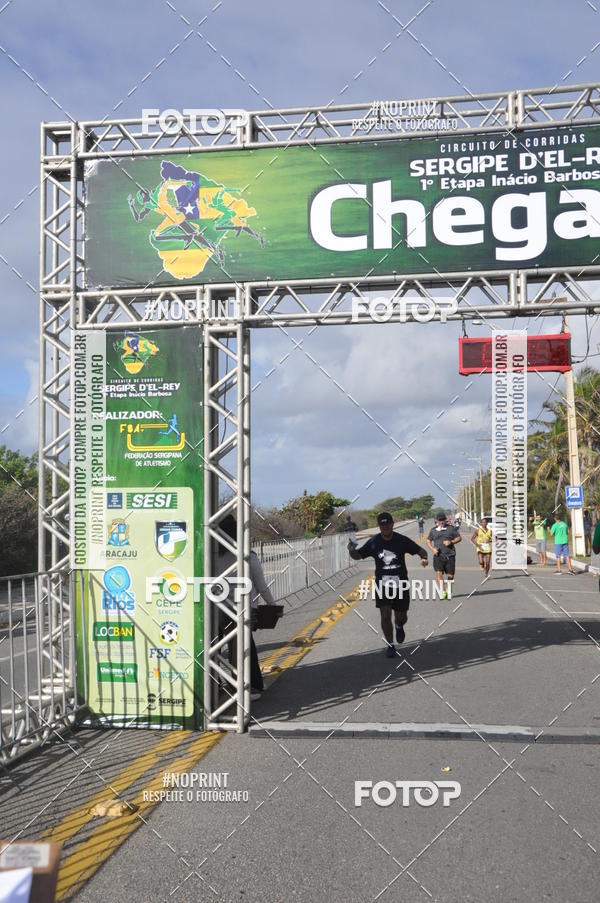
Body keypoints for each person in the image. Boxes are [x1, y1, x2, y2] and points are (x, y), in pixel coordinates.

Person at [348, 511, 427, 657]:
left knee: (401, 616)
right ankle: (390, 645)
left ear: (392, 524)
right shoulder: (374, 542)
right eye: (382, 524)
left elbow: (421, 551)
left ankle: (399, 625)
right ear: (378, 526)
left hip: (401, 584)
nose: (385, 527)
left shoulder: (402, 540)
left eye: (388, 524)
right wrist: (351, 550)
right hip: (382, 585)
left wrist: (424, 558)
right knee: (385, 615)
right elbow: (358, 555)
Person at [219, 515, 277, 700]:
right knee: (243, 651)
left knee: (215, 652)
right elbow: (262, 586)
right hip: (242, 611)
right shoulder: (248, 557)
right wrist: (273, 606)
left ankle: (216, 687)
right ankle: (246, 689)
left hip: (217, 611)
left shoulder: (211, 558)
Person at [427, 512, 462, 599]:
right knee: (439, 573)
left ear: (445, 520)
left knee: (450, 575)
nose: (441, 522)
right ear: (437, 520)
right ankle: (443, 592)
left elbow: (459, 538)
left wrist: (451, 542)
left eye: (443, 520)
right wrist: (433, 549)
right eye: (440, 520)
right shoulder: (433, 530)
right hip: (438, 555)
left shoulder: (451, 529)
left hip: (450, 555)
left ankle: (449, 589)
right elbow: (428, 541)